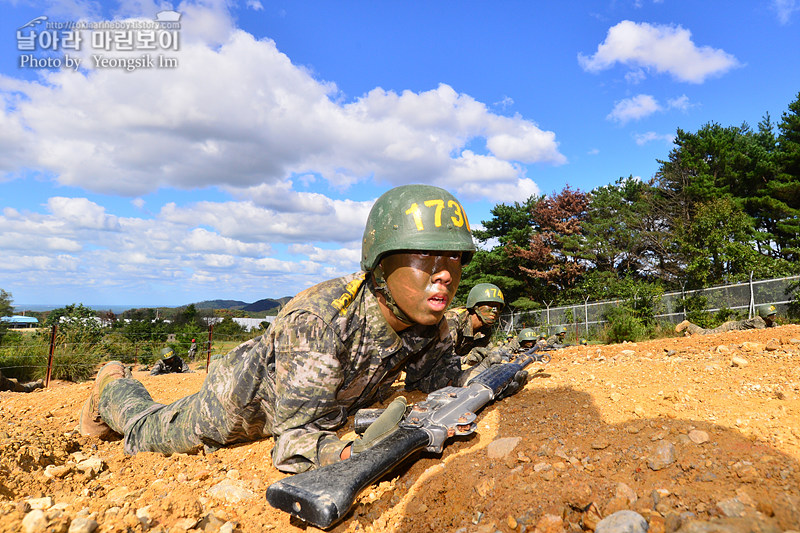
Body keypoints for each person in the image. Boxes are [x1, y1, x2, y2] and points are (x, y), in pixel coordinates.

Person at [78, 184, 528, 473]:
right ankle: (111, 384)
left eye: (453, 258)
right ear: (380, 266)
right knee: (143, 431)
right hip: (242, 406)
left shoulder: (431, 323)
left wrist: (490, 378)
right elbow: (294, 443)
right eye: (424, 257)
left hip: (330, 405)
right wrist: (353, 455)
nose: (445, 273)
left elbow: (436, 384)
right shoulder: (319, 323)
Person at [446, 282, 505, 366]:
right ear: (475, 306)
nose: (495, 310)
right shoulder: (453, 319)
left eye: (498, 307)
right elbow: (444, 358)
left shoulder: (486, 328)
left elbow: (477, 356)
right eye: (490, 305)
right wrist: (467, 359)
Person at [675, 304, 778, 335]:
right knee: (706, 334)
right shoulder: (758, 321)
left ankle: (689, 334)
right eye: (771, 315)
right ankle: (688, 325)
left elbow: (775, 327)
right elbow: (764, 332)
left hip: (732, 328)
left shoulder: (767, 322)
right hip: (729, 327)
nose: (774, 318)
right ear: (765, 316)